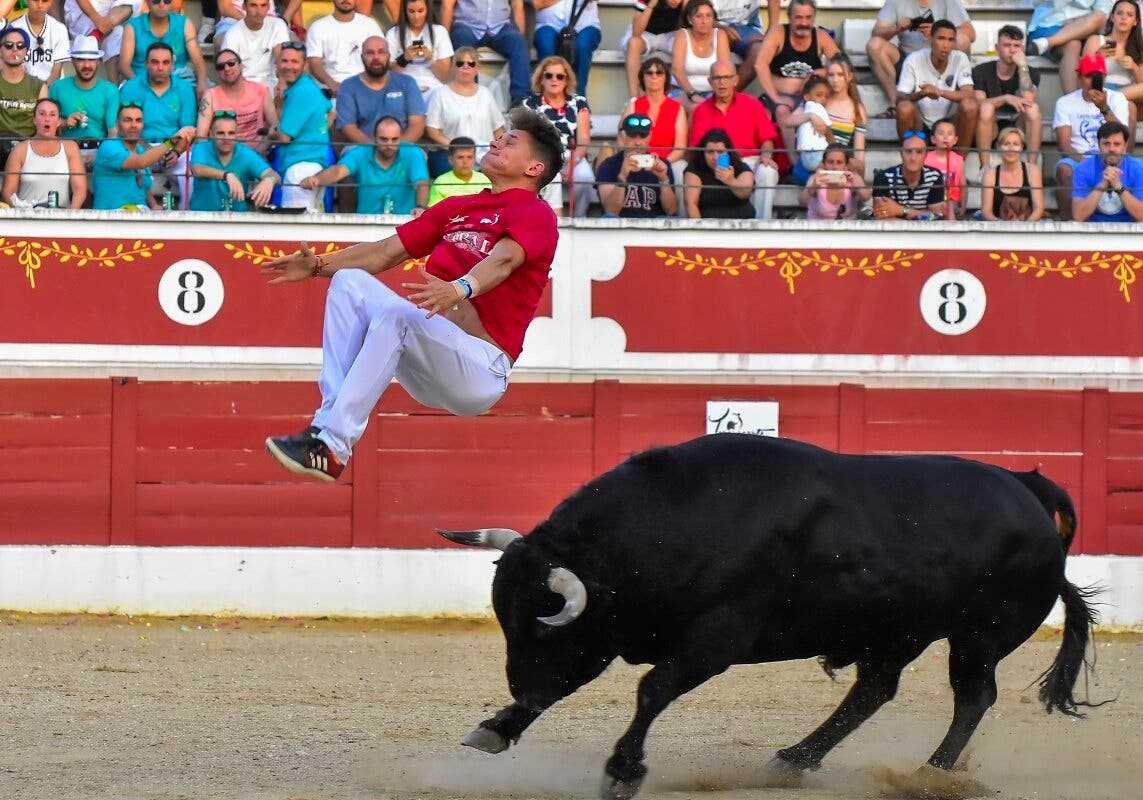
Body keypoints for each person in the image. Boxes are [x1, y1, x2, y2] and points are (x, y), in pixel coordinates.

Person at [262, 108, 563, 483]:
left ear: (534, 168)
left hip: (479, 371)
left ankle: (335, 446)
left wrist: (459, 287)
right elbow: (384, 252)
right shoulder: (458, 206)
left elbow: (504, 260)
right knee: (348, 281)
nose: (498, 140)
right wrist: (318, 266)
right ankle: (323, 432)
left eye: (511, 141)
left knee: (398, 316)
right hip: (427, 362)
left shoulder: (536, 212)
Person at [689, 58, 783, 218]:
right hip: (717, 162)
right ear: (710, 82)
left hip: (749, 160)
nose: (722, 83)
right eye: (717, 78)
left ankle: (761, 225)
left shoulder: (753, 104)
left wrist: (766, 155)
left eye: (727, 77)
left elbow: (767, 140)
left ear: (736, 80)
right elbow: (697, 150)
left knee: (768, 171)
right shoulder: (701, 111)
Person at [118, 41, 197, 205]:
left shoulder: (185, 88)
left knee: (190, 168)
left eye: (165, 62)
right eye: (154, 62)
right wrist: (147, 150)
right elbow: (125, 128)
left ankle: (187, 216)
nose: (160, 68)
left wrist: (175, 151)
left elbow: (187, 130)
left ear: (173, 64)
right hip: (140, 145)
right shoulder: (131, 87)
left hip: (173, 146)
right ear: (146, 63)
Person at [300, 115, 430, 214]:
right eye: (384, 139)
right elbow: (339, 171)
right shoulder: (361, 152)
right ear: (374, 137)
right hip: (367, 222)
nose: (389, 144)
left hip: (405, 221)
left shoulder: (413, 152)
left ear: (400, 138)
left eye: (394, 139)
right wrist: (317, 179)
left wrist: (420, 208)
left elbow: (422, 183)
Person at [1053, 52, 1130, 218]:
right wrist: (1089, 165)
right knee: (1064, 170)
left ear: (1105, 76)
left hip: (1113, 157)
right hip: (1079, 159)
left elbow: (1123, 137)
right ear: (1079, 76)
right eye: (1089, 75)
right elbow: (1064, 145)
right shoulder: (1065, 103)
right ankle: (1070, 225)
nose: (1093, 80)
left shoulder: (1117, 99)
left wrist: (1104, 107)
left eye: (1098, 75)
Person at [754, 0, 839, 149]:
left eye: (808, 17)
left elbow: (841, 65)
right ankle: (793, 162)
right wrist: (776, 97)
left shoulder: (821, 36)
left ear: (814, 17)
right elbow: (760, 65)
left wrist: (819, 72)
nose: (803, 22)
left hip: (811, 98)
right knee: (782, 111)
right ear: (789, 17)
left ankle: (832, 155)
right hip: (779, 96)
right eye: (798, 17)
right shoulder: (778, 33)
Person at [866, 0, 974, 116]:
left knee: (963, 40)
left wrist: (938, 32)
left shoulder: (950, 2)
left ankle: (958, 95)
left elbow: (970, 34)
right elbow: (876, 33)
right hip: (908, 60)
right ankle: (895, 103)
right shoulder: (895, 2)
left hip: (943, 61)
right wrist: (898, 28)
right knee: (875, 45)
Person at [523, 55, 595, 217]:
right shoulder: (530, 104)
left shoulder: (579, 103)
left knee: (585, 176)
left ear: (566, 80)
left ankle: (580, 217)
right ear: (541, 79)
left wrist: (572, 163)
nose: (554, 80)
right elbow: (526, 138)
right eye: (548, 75)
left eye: (560, 76)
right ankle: (550, 221)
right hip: (542, 156)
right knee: (552, 176)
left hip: (572, 155)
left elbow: (584, 140)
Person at [91, 102, 195, 209]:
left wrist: (154, 205)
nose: (134, 125)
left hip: (140, 214)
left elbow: (143, 186)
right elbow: (140, 162)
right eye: (128, 120)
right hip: (112, 216)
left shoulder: (140, 149)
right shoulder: (109, 146)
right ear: (117, 124)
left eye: (138, 120)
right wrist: (171, 141)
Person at [270, 41, 333, 210]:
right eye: (284, 61)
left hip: (300, 170)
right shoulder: (307, 85)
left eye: (294, 61)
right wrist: (315, 131)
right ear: (277, 64)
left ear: (305, 65)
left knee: (296, 230)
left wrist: (270, 133)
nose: (288, 66)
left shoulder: (300, 91)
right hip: (314, 167)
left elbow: (284, 137)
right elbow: (332, 112)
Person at [425, 46, 506, 175]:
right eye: (460, 63)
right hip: (451, 155)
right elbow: (433, 131)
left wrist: (500, 152)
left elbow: (498, 129)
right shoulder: (440, 94)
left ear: (477, 68)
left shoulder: (486, 94)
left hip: (483, 155)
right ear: (453, 67)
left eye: (471, 63)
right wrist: (459, 149)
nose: (465, 66)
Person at [896, 19, 977, 146]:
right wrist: (922, 93)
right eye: (941, 38)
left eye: (950, 40)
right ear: (930, 40)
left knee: (970, 106)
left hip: (950, 124)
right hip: (920, 123)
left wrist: (939, 92)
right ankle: (908, 157)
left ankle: (960, 160)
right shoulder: (914, 59)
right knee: (904, 107)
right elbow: (900, 97)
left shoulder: (960, 58)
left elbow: (968, 93)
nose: (946, 45)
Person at [973, 24, 1041, 171]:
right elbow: (979, 104)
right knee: (986, 108)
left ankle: (1032, 168)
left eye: (1017, 45)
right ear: (997, 47)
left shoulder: (1031, 72)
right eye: (1007, 45)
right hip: (991, 126)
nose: (1012, 50)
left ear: (1022, 49)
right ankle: (984, 168)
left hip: (1019, 126)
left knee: (1033, 108)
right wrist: (1005, 98)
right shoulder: (981, 70)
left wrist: (1023, 67)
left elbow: (1029, 97)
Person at [335, 36, 425, 145]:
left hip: (403, 148)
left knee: (420, 158)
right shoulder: (348, 87)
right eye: (370, 53)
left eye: (381, 52)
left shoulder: (407, 83)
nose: (376, 57)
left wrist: (398, 149)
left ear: (388, 56)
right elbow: (348, 128)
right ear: (362, 57)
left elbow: (417, 124)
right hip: (362, 149)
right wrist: (376, 150)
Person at [440, 0, 531, 108]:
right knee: (462, 42)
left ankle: (522, 102)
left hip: (500, 27)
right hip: (467, 25)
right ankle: (467, 98)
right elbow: (447, 4)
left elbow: (517, 5)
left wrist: (520, 35)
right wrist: (443, 39)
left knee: (517, 42)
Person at [2, 97, 86, 208]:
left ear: (58, 121)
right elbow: (8, 191)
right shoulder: (20, 150)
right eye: (42, 114)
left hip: (60, 220)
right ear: (34, 120)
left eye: (52, 115)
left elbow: (80, 189)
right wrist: (23, 213)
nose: (47, 119)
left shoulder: (70, 147)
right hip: (27, 219)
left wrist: (70, 217)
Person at [189, 109, 279, 211]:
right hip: (201, 218)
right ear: (211, 134)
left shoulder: (245, 153)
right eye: (220, 133)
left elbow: (274, 175)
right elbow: (197, 170)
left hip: (237, 220)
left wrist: (269, 180)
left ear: (237, 135)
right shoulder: (202, 148)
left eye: (231, 133)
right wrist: (227, 175)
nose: (226, 138)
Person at [50, 35, 118, 166]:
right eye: (81, 60)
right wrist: (64, 122)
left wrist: (107, 158)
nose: (87, 65)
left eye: (92, 60)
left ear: (99, 61)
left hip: (99, 150)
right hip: (66, 151)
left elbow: (112, 131)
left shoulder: (110, 90)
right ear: (72, 60)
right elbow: (46, 125)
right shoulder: (57, 87)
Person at [596, 111, 678, 217]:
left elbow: (671, 211)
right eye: (632, 136)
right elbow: (611, 212)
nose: (638, 142)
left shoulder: (661, 165)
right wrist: (622, 176)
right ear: (622, 136)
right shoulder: (609, 165)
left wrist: (664, 180)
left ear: (650, 137)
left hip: (654, 226)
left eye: (643, 136)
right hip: (620, 226)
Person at [196, 49, 277, 154]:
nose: (227, 68)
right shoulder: (210, 95)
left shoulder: (261, 90)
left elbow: (275, 127)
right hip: (222, 155)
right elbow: (201, 137)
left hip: (256, 154)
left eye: (231, 63)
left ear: (241, 66)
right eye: (221, 66)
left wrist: (263, 148)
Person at [119, 0, 208, 92]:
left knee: (209, 95)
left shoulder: (184, 24)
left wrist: (202, 82)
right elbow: (124, 65)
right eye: (156, 1)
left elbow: (198, 60)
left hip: (180, 80)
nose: (161, 4)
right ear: (147, 2)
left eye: (167, 0)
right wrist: (140, 85)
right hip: (142, 79)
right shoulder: (133, 26)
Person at [1026, 0, 1114, 93]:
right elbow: (1035, 2)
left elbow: (1104, 8)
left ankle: (1048, 42)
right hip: (1048, 24)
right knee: (1073, 44)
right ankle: (1072, 101)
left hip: (1083, 27)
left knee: (1099, 16)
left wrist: (1077, 21)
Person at [1082, 0, 1143, 131]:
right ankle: (1116, 98)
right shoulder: (1096, 40)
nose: (1124, 17)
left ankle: (1117, 97)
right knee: (1130, 107)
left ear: (1136, 21)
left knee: (1130, 105)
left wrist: (1134, 67)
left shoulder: (1138, 47)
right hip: (1101, 90)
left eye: (1129, 15)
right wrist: (1098, 57)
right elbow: (1083, 76)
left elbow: (1141, 85)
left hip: (1128, 94)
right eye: (1120, 13)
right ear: (1112, 16)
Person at [306, 0, 384, 97]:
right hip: (331, 92)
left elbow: (382, 58)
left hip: (365, 90)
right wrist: (333, 85)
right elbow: (315, 64)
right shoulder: (318, 27)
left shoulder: (370, 25)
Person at [621, 56, 687, 165]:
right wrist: (639, 161)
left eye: (659, 73)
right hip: (637, 161)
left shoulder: (677, 108)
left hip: (668, 162)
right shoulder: (632, 106)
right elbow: (622, 140)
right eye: (649, 73)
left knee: (680, 168)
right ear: (642, 77)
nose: (654, 76)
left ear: (666, 78)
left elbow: (680, 149)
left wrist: (662, 164)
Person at [1072, 119, 1143, 220]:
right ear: (1098, 145)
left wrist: (1118, 186)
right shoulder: (1083, 169)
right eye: (1106, 144)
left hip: (1129, 232)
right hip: (1092, 232)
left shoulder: (1138, 169)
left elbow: (1141, 215)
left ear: (1125, 146)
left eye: (1117, 144)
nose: (1111, 149)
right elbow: (1078, 215)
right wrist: (1103, 184)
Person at [386, 0, 453, 101]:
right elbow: (388, 74)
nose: (416, 17)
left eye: (420, 11)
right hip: (403, 85)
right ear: (405, 11)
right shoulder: (393, 33)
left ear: (428, 10)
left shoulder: (440, 32)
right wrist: (403, 59)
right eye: (411, 11)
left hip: (433, 86)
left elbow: (445, 77)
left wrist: (430, 58)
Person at [871, 129, 947, 219]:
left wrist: (901, 210)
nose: (913, 158)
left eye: (919, 152)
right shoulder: (884, 178)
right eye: (908, 151)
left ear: (926, 155)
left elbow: (936, 217)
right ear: (901, 153)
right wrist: (920, 217)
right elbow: (882, 218)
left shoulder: (934, 177)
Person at [682, 127, 753, 218]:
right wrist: (700, 230)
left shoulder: (739, 166)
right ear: (703, 153)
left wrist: (730, 180)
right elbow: (691, 204)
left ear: (728, 152)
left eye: (720, 152)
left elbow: (745, 193)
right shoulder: (695, 168)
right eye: (710, 152)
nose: (715, 157)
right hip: (708, 226)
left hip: (742, 225)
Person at [534, 0, 602, 94]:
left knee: (583, 46)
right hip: (548, 24)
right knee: (546, 46)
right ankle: (544, 98)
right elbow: (537, 3)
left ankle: (579, 99)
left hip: (585, 25)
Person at [672, 0, 729, 113]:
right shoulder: (682, 35)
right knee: (698, 109)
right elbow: (677, 70)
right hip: (683, 91)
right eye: (699, 16)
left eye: (709, 16)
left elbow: (724, 70)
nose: (704, 21)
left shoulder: (720, 35)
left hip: (712, 92)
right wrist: (692, 94)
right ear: (689, 19)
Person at [219, 0, 290, 89]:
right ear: (244, 7)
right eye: (253, 5)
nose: (259, 11)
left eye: (263, 5)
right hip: (244, 87)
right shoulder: (232, 34)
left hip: (272, 86)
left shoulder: (278, 25)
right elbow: (231, 73)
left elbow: (282, 58)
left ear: (269, 7)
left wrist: (282, 83)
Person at [63, 0, 141, 81]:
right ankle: (113, 87)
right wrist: (98, 21)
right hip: (84, 14)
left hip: (114, 17)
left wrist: (104, 25)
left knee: (118, 32)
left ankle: (113, 90)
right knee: (117, 32)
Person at [980, 126, 1044, 221]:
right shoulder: (989, 175)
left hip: (1027, 229)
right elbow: (986, 211)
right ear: (999, 147)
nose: (1011, 148)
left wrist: (1024, 227)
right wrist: (1003, 226)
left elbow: (1039, 208)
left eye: (1016, 144)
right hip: (998, 229)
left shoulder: (1033, 171)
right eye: (1006, 144)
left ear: (1022, 147)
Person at [0, 26, 45, 161]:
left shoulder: (39, 86)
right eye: (8, 45)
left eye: (20, 45)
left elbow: (43, 126)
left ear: (26, 51)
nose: (15, 49)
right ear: (0, 50)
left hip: (28, 149)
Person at [712, 0, 776, 87]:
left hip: (747, 26)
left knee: (760, 52)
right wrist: (721, 28)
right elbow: (693, 10)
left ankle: (728, 96)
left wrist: (772, 31)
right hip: (711, 24)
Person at [799, 143, 871, 220]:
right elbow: (802, 202)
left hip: (847, 229)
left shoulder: (853, 178)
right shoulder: (816, 178)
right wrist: (813, 187)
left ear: (846, 165)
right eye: (830, 162)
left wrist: (855, 184)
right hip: (819, 229)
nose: (834, 167)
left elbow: (866, 197)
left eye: (839, 162)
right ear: (824, 164)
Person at [10, 0, 69, 84]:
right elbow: (17, 71)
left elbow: (56, 73)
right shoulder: (13, 29)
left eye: (45, 1)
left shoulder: (60, 29)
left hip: (52, 89)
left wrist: (43, 93)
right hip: (24, 90)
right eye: (35, 0)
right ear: (26, 1)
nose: (40, 5)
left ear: (51, 2)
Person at [789, 75, 832, 185]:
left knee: (820, 178)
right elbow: (828, 132)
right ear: (807, 96)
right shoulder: (818, 108)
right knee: (827, 176)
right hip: (817, 154)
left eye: (826, 96)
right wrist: (835, 147)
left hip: (805, 157)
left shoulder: (806, 108)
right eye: (819, 95)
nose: (823, 99)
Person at [428, 135, 492, 205]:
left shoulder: (486, 180)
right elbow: (434, 212)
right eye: (460, 157)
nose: (465, 162)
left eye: (469, 157)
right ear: (450, 159)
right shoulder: (440, 182)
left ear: (474, 159)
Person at [923, 116, 962, 215]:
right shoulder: (926, 159)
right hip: (930, 200)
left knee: (948, 207)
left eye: (949, 134)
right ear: (933, 139)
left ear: (955, 140)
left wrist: (963, 207)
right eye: (941, 133)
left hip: (952, 201)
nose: (945, 137)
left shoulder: (958, 160)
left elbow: (963, 185)